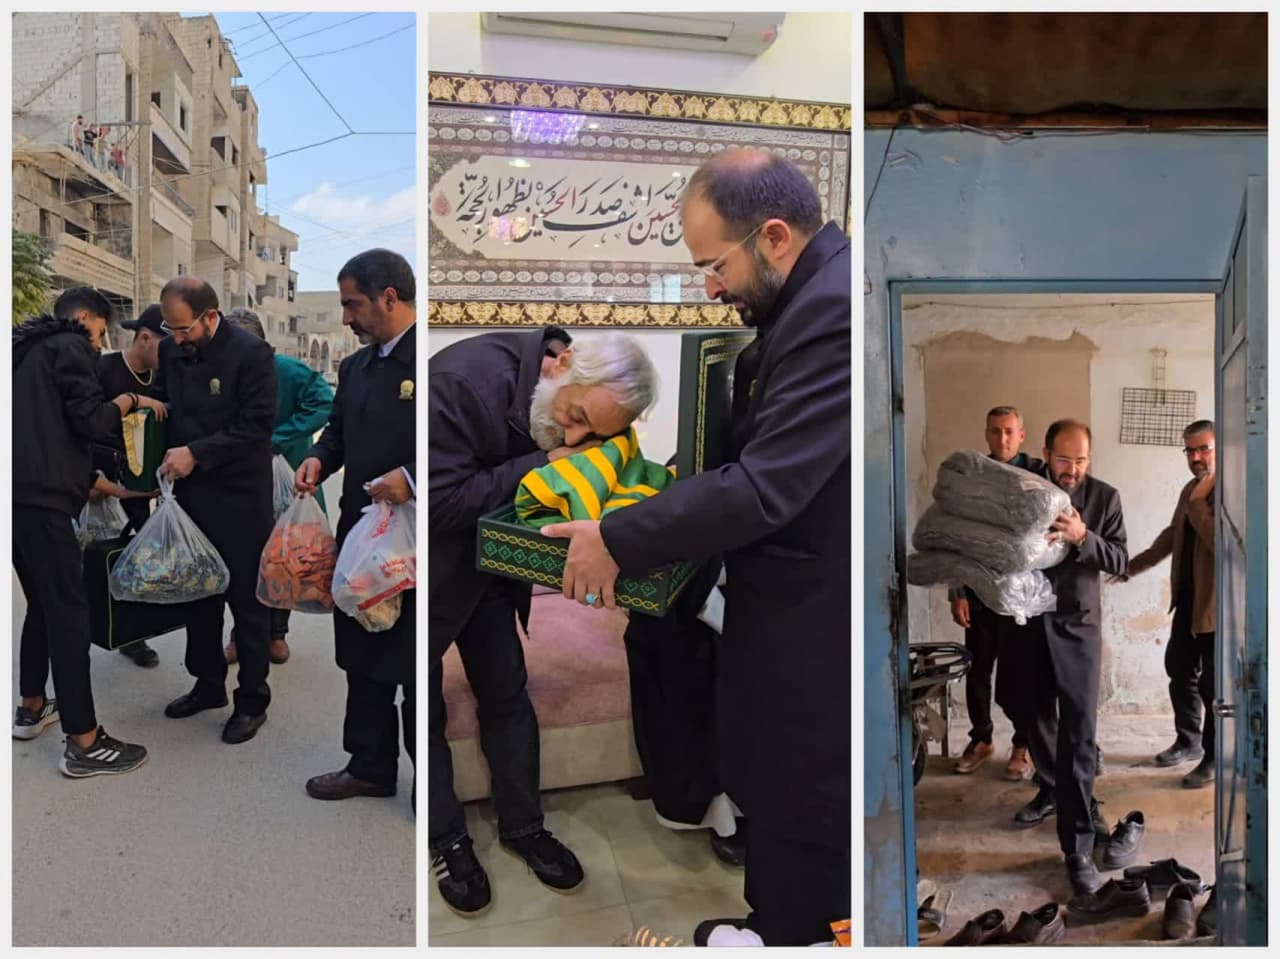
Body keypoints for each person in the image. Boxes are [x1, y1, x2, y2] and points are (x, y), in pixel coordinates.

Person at [545, 148, 851, 946]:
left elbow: (765, 486)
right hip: (776, 608)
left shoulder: (833, 312)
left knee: (803, 795)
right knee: (778, 790)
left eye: (714, 263)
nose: (710, 285)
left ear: (774, 235)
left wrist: (617, 535)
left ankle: (794, 932)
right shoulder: (804, 304)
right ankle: (771, 919)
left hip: (813, 622)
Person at [426, 323, 658, 915]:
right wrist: (546, 458)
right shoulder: (457, 383)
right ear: (560, 364)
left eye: (591, 431)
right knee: (422, 703)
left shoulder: (580, 397)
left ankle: (523, 825)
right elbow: (441, 502)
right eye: (574, 416)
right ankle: (447, 838)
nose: (574, 434)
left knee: (506, 692)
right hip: (432, 570)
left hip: (493, 572)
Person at [13, 287, 167, 777]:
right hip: (42, 502)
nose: (99, 345)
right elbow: (89, 419)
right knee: (69, 616)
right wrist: (129, 399)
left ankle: (31, 706)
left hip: (16, 498)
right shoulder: (70, 347)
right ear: (84, 318)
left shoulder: (23, 353)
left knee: (41, 602)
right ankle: (84, 741)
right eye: (100, 333)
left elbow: (43, 429)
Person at [295, 250, 417, 811]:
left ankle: (430, 786)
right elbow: (337, 432)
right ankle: (369, 766)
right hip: (359, 538)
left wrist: (414, 480)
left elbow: (472, 452)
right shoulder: (356, 368)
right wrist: (320, 459)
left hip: (414, 544)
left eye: (352, 304)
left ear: (389, 297)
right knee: (362, 655)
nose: (346, 318)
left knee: (415, 663)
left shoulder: (433, 361)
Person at [1001, 420, 1127, 895]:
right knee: (1019, 706)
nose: (1071, 470)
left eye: (1080, 461)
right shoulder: (1023, 490)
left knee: (1079, 733)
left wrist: (1081, 536)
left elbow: (1118, 559)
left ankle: (1077, 846)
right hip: (1026, 628)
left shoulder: (1105, 498)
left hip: (1077, 631)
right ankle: (1061, 786)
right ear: (1044, 453)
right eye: (1062, 460)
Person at [155, 277, 278, 744]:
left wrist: (198, 454)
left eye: (184, 329)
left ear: (210, 316)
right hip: (189, 497)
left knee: (247, 604)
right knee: (198, 598)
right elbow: (169, 410)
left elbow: (257, 426)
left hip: (240, 498)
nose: (177, 339)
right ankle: (208, 686)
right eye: (171, 329)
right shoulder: (171, 350)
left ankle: (251, 700)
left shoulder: (251, 355)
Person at [223, 307, 334, 666]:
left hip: (288, 476)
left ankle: (276, 634)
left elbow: (323, 402)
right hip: (244, 478)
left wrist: (279, 437)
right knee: (249, 559)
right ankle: (241, 635)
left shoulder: (287, 370)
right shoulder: (226, 373)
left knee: (287, 557)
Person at [1112, 420, 1216, 788]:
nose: (1196, 457)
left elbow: (1220, 543)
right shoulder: (1191, 489)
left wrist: (1200, 503)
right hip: (1187, 601)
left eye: (1204, 448)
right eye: (1190, 450)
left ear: (1219, 449)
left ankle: (1213, 757)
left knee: (1214, 687)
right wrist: (1132, 567)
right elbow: (1173, 534)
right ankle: (1188, 741)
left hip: (1216, 610)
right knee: (1179, 671)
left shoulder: (1228, 492)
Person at [949, 406, 1042, 779]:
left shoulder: (1039, 475)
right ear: (986, 434)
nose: (1001, 439)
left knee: (1023, 674)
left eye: (1009, 432)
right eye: (994, 432)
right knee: (978, 669)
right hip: (980, 592)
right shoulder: (973, 477)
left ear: (1021, 434)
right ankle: (982, 739)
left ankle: (1023, 745)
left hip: (1024, 596)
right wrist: (958, 591)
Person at [96, 303, 169, 668]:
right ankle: (95, 627)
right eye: (163, 345)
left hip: (148, 485)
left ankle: (133, 632)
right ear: (144, 337)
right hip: (102, 483)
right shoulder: (104, 369)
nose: (169, 355)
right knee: (99, 555)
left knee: (141, 553)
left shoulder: (163, 376)